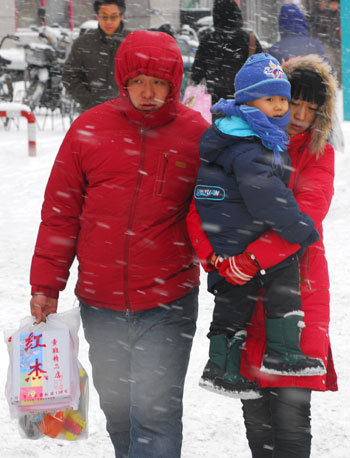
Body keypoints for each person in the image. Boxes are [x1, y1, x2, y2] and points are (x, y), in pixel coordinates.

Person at [29, 30, 209, 458]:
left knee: (155, 413)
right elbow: (61, 213)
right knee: (118, 409)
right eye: (139, 81)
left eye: (160, 82)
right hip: (101, 300)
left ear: (174, 83)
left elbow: (212, 211)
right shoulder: (89, 129)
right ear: (123, 80)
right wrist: (45, 285)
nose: (148, 93)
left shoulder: (195, 135)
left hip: (168, 300)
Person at [187, 53, 338, 458]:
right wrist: (217, 259)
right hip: (242, 290)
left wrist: (251, 258)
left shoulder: (317, 153)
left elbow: (305, 218)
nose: (299, 115)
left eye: (311, 107)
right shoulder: (237, 139)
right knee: (255, 416)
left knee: (290, 416)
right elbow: (199, 206)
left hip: (295, 289)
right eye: (294, 102)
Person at [191, 0, 263, 105]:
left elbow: (196, 75)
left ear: (215, 16)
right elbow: (263, 71)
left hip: (216, 105)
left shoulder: (208, 41)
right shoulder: (250, 40)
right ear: (237, 15)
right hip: (245, 104)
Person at [62, 0, 129, 112]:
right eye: (104, 17)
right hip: (91, 112)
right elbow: (70, 76)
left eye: (113, 17)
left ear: (121, 16)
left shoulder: (132, 41)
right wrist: (88, 101)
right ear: (97, 16)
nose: (108, 22)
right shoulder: (83, 43)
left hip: (127, 113)